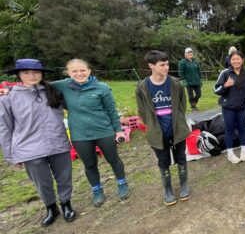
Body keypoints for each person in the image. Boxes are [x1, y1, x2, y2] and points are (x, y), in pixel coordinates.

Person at [0, 59, 76, 227]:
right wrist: (10, 155)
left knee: (64, 178)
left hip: (58, 143)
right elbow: (4, 128)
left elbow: (77, 103)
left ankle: (66, 204)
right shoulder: (9, 98)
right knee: (42, 182)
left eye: (36, 72)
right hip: (29, 148)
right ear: (19, 75)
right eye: (26, 73)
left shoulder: (54, 92)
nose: (32, 76)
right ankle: (51, 208)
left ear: (42, 74)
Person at [53, 59, 130, 207]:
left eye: (83, 70)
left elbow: (112, 111)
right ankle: (97, 191)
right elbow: (38, 85)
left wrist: (118, 130)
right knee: (89, 164)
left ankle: (122, 183)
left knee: (113, 159)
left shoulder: (102, 88)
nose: (79, 73)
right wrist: (10, 90)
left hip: (104, 131)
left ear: (89, 70)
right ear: (68, 73)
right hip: (80, 134)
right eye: (74, 71)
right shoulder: (63, 85)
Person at [136, 50, 190, 206]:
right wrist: (153, 125)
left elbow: (182, 105)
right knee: (163, 160)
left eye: (167, 64)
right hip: (157, 132)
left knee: (181, 157)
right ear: (152, 66)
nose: (166, 67)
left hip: (177, 128)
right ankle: (167, 189)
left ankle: (184, 184)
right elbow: (142, 112)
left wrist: (177, 121)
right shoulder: (142, 87)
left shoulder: (176, 83)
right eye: (162, 64)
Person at [214, 50, 245, 164]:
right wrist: (225, 85)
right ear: (230, 60)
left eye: (238, 59)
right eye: (233, 59)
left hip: (242, 108)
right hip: (228, 108)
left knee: (242, 129)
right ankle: (230, 154)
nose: (236, 61)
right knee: (229, 130)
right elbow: (216, 90)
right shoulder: (226, 73)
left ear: (242, 60)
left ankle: (243, 151)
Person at [178, 47, 203, 112]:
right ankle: (194, 107)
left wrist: (200, 79)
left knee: (199, 94)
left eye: (191, 52)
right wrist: (183, 80)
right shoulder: (182, 62)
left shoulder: (195, 61)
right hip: (188, 82)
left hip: (196, 81)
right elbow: (181, 72)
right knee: (190, 95)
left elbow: (199, 71)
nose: (190, 54)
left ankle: (193, 103)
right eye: (188, 53)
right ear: (185, 54)